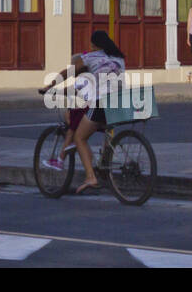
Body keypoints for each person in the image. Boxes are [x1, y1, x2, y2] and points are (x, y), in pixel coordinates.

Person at [38, 29, 126, 196]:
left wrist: (50, 86)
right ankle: (103, 165)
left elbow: (67, 73)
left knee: (79, 137)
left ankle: (91, 177)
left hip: (102, 103)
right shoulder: (119, 58)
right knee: (103, 128)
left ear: (93, 45)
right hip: (121, 102)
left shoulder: (90, 57)